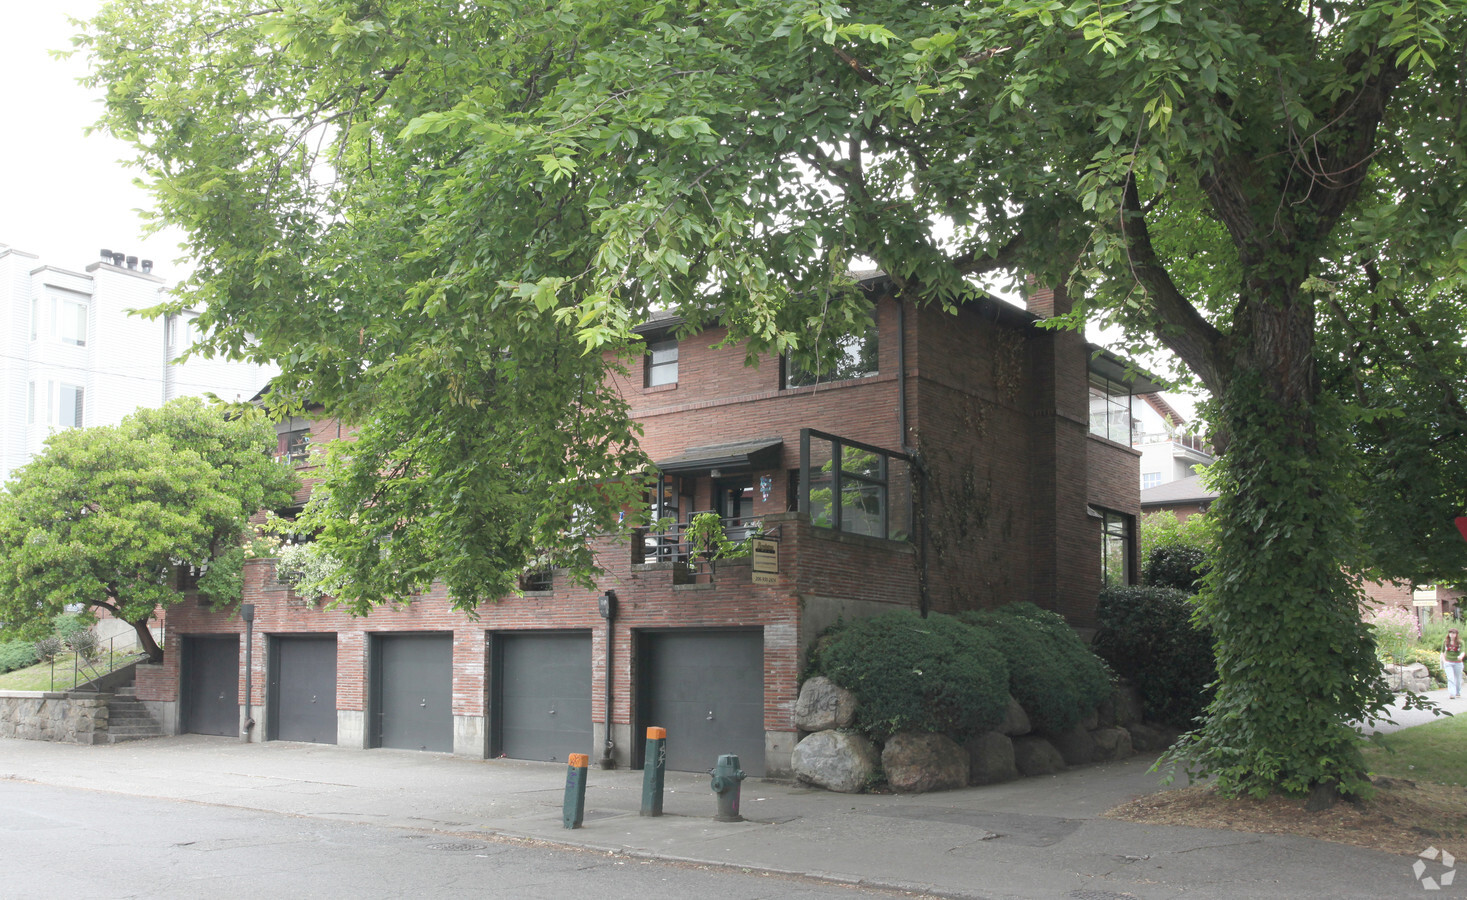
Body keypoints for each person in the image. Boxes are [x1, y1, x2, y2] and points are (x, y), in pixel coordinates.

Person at [1442, 628, 1465, 700]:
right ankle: (1452, 693)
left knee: (1457, 679)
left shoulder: (1460, 642)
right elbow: (1442, 652)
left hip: (1458, 663)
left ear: (1456, 634)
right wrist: (1444, 661)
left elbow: (1463, 651)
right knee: (1450, 678)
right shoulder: (1445, 642)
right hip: (1448, 662)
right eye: (1451, 633)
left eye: (1454, 633)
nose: (1452, 635)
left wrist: (1461, 656)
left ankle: (1457, 691)